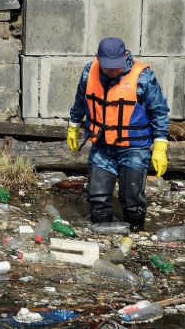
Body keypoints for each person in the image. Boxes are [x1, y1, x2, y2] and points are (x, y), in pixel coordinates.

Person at [66, 37, 170, 231]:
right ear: (98, 58)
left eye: (116, 66)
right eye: (108, 66)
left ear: (125, 57)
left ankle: (136, 234)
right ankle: (102, 235)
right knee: (97, 197)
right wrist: (73, 124)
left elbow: (159, 111)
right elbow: (81, 100)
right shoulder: (89, 72)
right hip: (102, 146)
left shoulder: (143, 77)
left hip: (134, 148)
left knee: (132, 200)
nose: (113, 70)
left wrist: (161, 145)